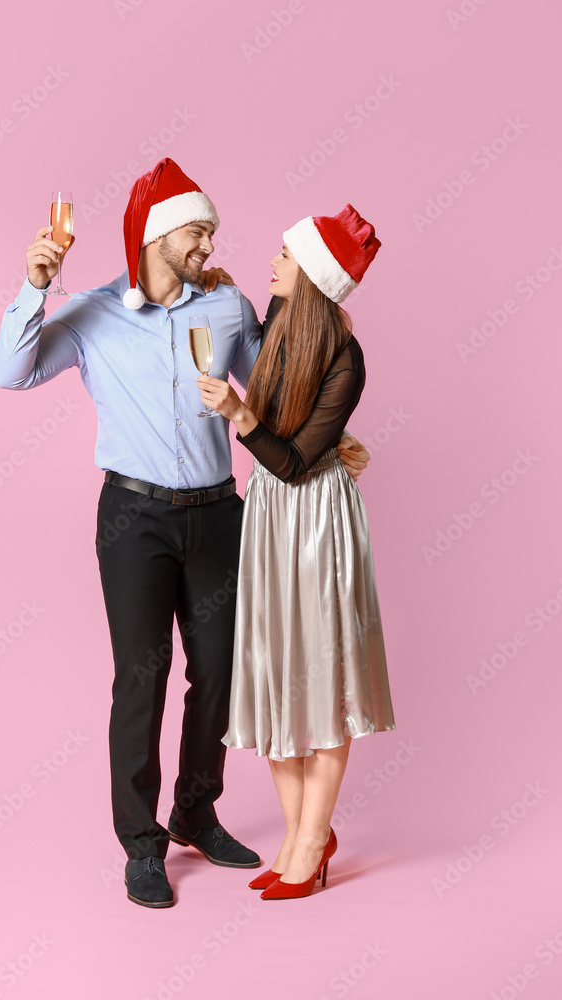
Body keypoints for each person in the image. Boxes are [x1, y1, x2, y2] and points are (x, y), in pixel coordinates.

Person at [0, 158, 371, 909]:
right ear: (159, 235)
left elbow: (275, 390)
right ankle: (142, 843)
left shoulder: (227, 309)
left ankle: (195, 811)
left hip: (220, 512)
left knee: (221, 674)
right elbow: (13, 373)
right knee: (142, 677)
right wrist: (34, 287)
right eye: (198, 230)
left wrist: (328, 435)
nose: (209, 243)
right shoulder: (93, 313)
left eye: (210, 232)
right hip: (133, 519)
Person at [198, 205, 396, 900]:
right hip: (273, 518)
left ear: (312, 274)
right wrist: (217, 284)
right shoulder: (275, 326)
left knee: (322, 678)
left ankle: (311, 843)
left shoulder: (345, 356)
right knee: (277, 671)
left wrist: (239, 415)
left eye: (285, 254)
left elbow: (290, 462)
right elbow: (281, 443)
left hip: (315, 521)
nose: (272, 261)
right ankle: (296, 838)